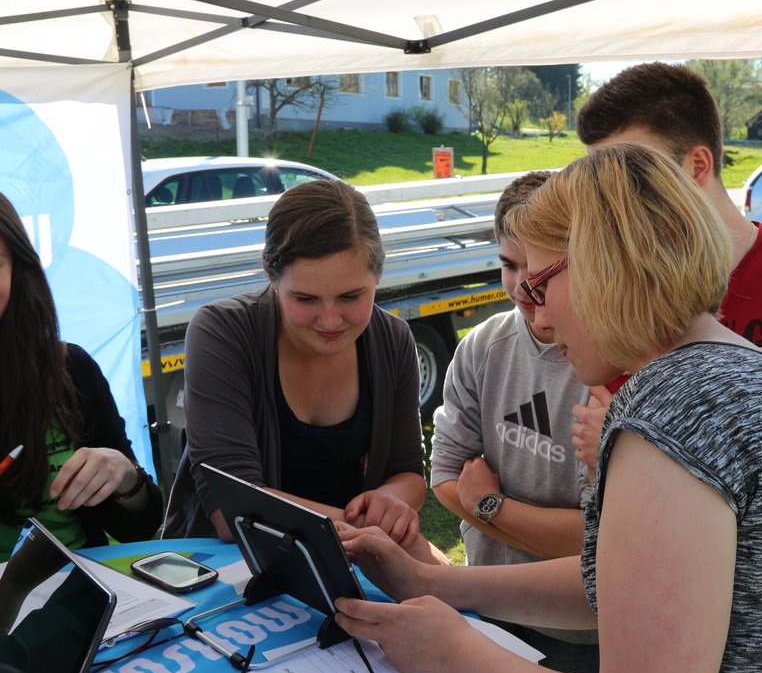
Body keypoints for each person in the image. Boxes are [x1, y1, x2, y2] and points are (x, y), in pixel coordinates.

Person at [333, 144, 762, 673]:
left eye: (540, 284)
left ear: (602, 269)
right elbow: (621, 586)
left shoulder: (670, 413)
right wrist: (433, 583)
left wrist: (458, 650)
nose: (537, 313)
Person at [571, 62, 762, 477]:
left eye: (632, 177)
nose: (608, 201)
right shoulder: (620, 284)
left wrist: (629, 439)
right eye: (599, 180)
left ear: (696, 166)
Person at [163, 180, 442, 564]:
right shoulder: (224, 332)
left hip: (339, 562)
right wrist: (366, 531)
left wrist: (390, 501)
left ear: (378, 275)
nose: (330, 320)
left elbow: (406, 471)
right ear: (273, 278)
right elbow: (232, 508)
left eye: (350, 296)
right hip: (226, 572)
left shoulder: (392, 340)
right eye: (306, 299)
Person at [429, 172, 597, 673]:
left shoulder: (605, 364)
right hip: (490, 608)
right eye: (508, 264)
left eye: (539, 267)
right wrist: (549, 536)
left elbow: (601, 544)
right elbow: (444, 480)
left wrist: (490, 505)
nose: (524, 284)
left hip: (584, 629)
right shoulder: (484, 345)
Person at [0, 192, 161, 560]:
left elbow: (138, 526)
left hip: (77, 584)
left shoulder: (70, 369)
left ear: (18, 272)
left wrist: (125, 478)